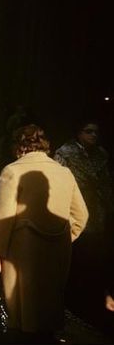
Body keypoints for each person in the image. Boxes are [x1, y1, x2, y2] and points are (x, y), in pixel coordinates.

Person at [0, 124, 88, 345]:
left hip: (20, 251)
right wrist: (66, 238)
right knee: (48, 304)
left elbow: (4, 218)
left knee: (21, 311)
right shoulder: (64, 172)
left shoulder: (12, 171)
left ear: (19, 146)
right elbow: (81, 214)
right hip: (57, 249)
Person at [54, 119, 114, 328]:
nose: (93, 135)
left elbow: (106, 184)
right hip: (76, 209)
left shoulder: (101, 155)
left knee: (94, 258)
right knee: (76, 255)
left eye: (96, 132)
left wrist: (108, 208)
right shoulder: (65, 153)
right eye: (88, 131)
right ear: (78, 133)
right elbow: (58, 182)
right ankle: (72, 300)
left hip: (97, 212)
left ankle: (88, 300)